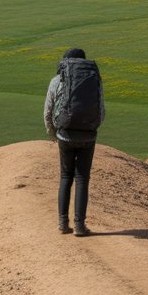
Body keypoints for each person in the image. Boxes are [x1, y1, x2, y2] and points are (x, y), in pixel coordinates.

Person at [43, 47, 104, 237]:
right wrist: (92, 127)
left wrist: (53, 133)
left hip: (65, 134)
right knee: (82, 179)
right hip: (88, 135)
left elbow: (48, 110)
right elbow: (101, 110)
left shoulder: (56, 80)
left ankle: (63, 223)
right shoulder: (94, 79)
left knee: (65, 177)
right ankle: (79, 225)